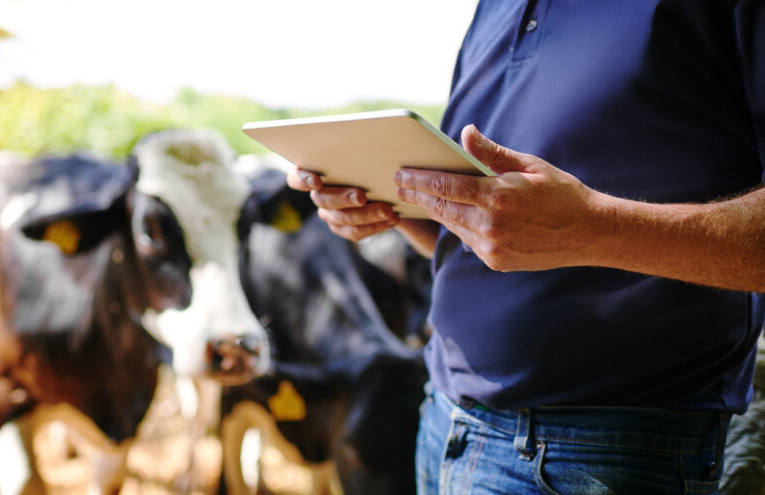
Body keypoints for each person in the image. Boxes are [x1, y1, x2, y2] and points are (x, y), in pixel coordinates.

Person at [287, 1, 765, 493]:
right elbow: (503, 233)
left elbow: (558, 228)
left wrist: (593, 226)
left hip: (605, 450)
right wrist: (391, 206)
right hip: (443, 420)